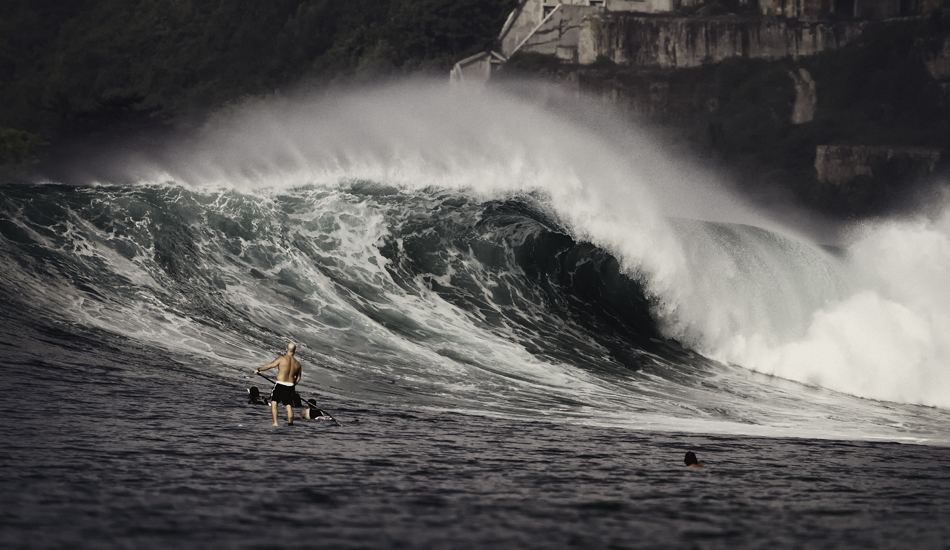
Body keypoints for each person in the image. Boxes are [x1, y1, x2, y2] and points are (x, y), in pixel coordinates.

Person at [255, 342, 302, 426]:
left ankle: (275, 423)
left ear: (286, 349)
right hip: (290, 386)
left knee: (274, 403)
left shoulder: (281, 359)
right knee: (288, 406)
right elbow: (298, 377)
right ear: (295, 351)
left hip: (280, 384)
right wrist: (293, 384)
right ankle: (290, 423)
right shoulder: (298, 364)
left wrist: (259, 369)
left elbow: (270, 366)